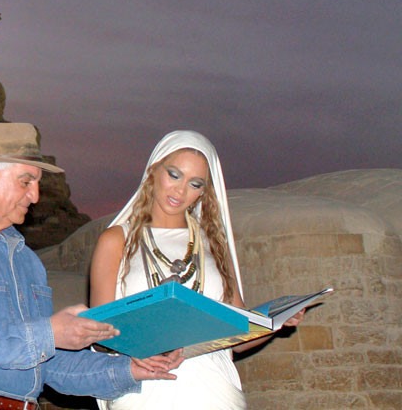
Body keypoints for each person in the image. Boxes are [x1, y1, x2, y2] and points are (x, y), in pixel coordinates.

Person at [0, 122, 182, 410]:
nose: (35, 196)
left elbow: (49, 365)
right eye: (26, 181)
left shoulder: (26, 261)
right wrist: (50, 333)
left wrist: (130, 369)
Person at [89, 130, 305, 409]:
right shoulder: (116, 240)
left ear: (203, 191)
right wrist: (136, 350)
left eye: (194, 183)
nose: (180, 191)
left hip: (213, 389)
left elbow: (237, 338)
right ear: (154, 170)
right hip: (146, 387)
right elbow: (98, 332)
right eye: (174, 175)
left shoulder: (213, 244)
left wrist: (276, 321)